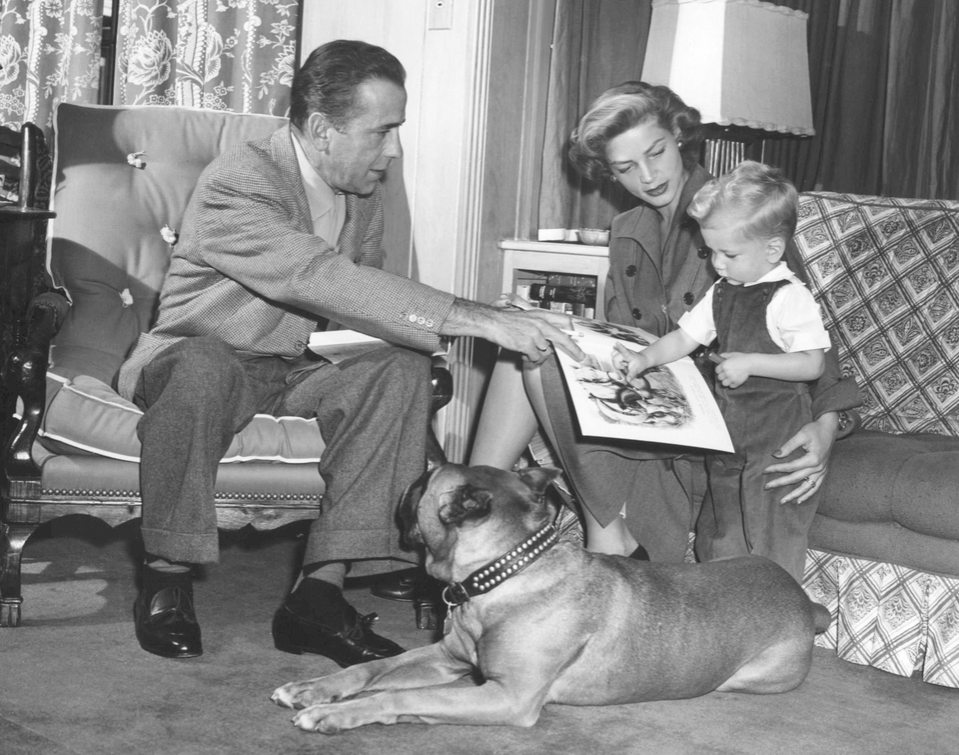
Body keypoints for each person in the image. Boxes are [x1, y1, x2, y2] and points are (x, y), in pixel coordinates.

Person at [116, 39, 582, 664]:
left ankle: (320, 595)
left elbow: (358, 302)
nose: (393, 151)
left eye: (398, 131)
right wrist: (472, 317)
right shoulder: (239, 181)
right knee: (202, 367)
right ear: (320, 129)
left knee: (400, 367)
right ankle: (167, 574)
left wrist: (432, 334)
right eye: (382, 131)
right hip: (208, 351)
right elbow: (317, 276)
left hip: (302, 362)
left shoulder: (363, 189)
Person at [470, 81, 860, 565]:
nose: (648, 175)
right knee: (526, 344)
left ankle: (599, 535)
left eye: (656, 152)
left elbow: (813, 342)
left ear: (679, 136)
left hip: (722, 410)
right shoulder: (627, 228)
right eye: (626, 167)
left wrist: (825, 428)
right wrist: (549, 321)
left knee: (535, 361)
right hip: (660, 387)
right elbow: (625, 334)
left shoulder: (732, 215)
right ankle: (474, 513)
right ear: (608, 172)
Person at [612, 161, 830, 581]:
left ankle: (780, 615)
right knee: (723, 527)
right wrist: (644, 358)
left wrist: (751, 363)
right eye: (711, 252)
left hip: (777, 436)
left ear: (772, 249)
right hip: (729, 434)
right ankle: (727, 610)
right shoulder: (723, 291)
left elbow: (812, 363)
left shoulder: (790, 297)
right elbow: (683, 338)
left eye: (729, 254)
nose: (717, 263)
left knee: (770, 533)